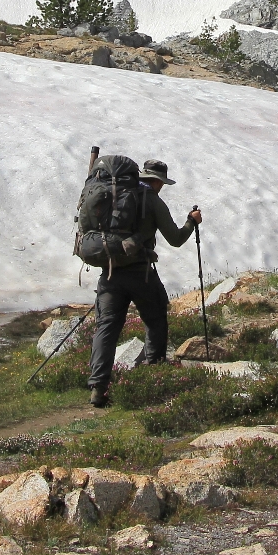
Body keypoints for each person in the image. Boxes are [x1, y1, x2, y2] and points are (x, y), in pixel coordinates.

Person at [86, 159, 202, 408]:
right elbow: (176, 239)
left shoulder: (113, 196)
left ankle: (98, 387)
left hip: (109, 272)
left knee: (106, 328)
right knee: (156, 316)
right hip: (140, 272)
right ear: (158, 181)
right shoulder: (152, 200)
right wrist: (191, 222)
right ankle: (154, 371)